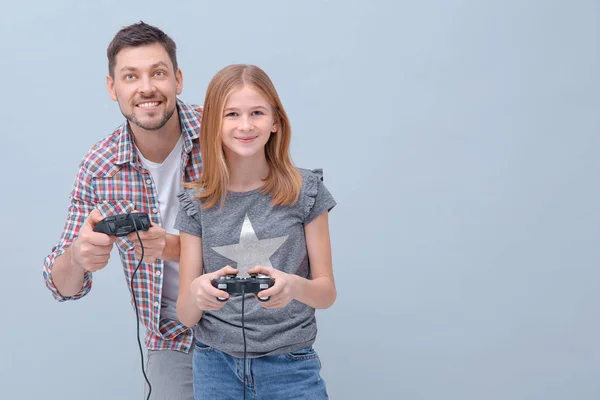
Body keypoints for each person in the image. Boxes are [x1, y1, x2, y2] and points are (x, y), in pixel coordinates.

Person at [42, 21, 201, 400]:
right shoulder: (99, 166)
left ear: (178, 79)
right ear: (113, 88)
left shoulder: (224, 134)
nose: (146, 88)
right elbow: (61, 285)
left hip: (243, 322)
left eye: (158, 73)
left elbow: (267, 237)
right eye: (131, 76)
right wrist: (79, 258)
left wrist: (174, 247)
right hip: (173, 339)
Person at [174, 64, 337, 400]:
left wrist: (292, 286)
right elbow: (186, 314)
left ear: (275, 121)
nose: (245, 125)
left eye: (257, 113)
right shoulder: (195, 202)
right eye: (231, 114)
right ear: (213, 126)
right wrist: (198, 292)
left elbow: (326, 293)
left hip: (291, 368)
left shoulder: (305, 192)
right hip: (214, 366)